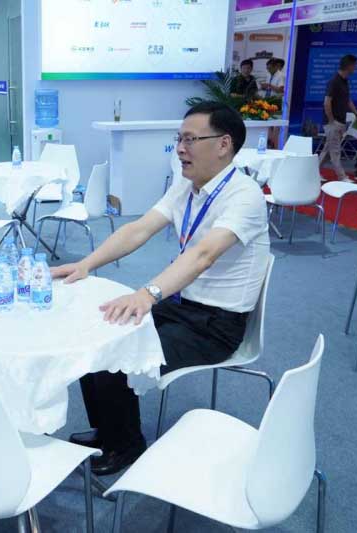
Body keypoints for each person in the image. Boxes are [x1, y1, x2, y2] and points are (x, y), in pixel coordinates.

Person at [52, 101, 270, 475]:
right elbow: (139, 229)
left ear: (223, 144)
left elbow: (203, 255)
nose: (180, 149)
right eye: (179, 139)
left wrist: (147, 294)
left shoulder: (244, 195)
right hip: (182, 304)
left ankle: (126, 446)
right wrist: (87, 263)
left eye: (190, 140)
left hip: (216, 325)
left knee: (117, 355)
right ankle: (108, 432)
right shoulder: (188, 186)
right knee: (95, 333)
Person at [319, 54, 357, 183]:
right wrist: (331, 121)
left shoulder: (344, 81)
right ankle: (342, 176)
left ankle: (313, 171)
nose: (356, 68)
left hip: (340, 121)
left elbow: (347, 100)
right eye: (354, 65)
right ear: (349, 66)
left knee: (328, 149)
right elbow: (327, 102)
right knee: (335, 151)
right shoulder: (334, 81)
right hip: (333, 122)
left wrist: (356, 114)